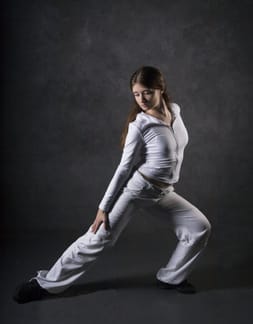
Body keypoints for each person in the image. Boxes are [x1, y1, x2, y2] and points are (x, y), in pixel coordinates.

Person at [13, 66, 211, 303]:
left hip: (164, 191)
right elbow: (123, 168)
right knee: (97, 239)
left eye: (146, 92)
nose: (142, 99)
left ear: (161, 88)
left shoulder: (175, 112)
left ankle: (171, 277)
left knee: (199, 227)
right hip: (139, 190)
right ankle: (45, 284)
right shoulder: (140, 124)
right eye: (136, 94)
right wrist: (103, 207)